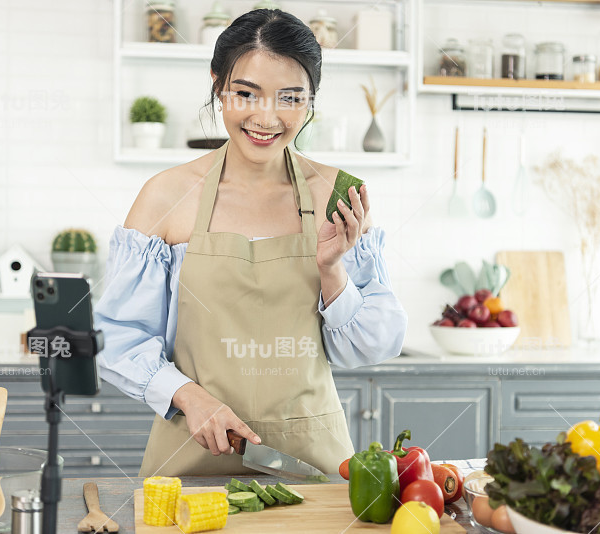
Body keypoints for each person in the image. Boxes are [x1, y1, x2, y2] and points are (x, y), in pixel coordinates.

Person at [94, 8, 407, 477]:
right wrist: (187, 396)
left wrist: (332, 271)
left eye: (290, 98)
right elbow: (117, 338)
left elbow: (372, 347)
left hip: (314, 462)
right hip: (192, 456)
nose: (267, 117)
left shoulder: (336, 194)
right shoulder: (166, 197)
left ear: (311, 101)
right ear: (219, 86)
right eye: (246, 93)